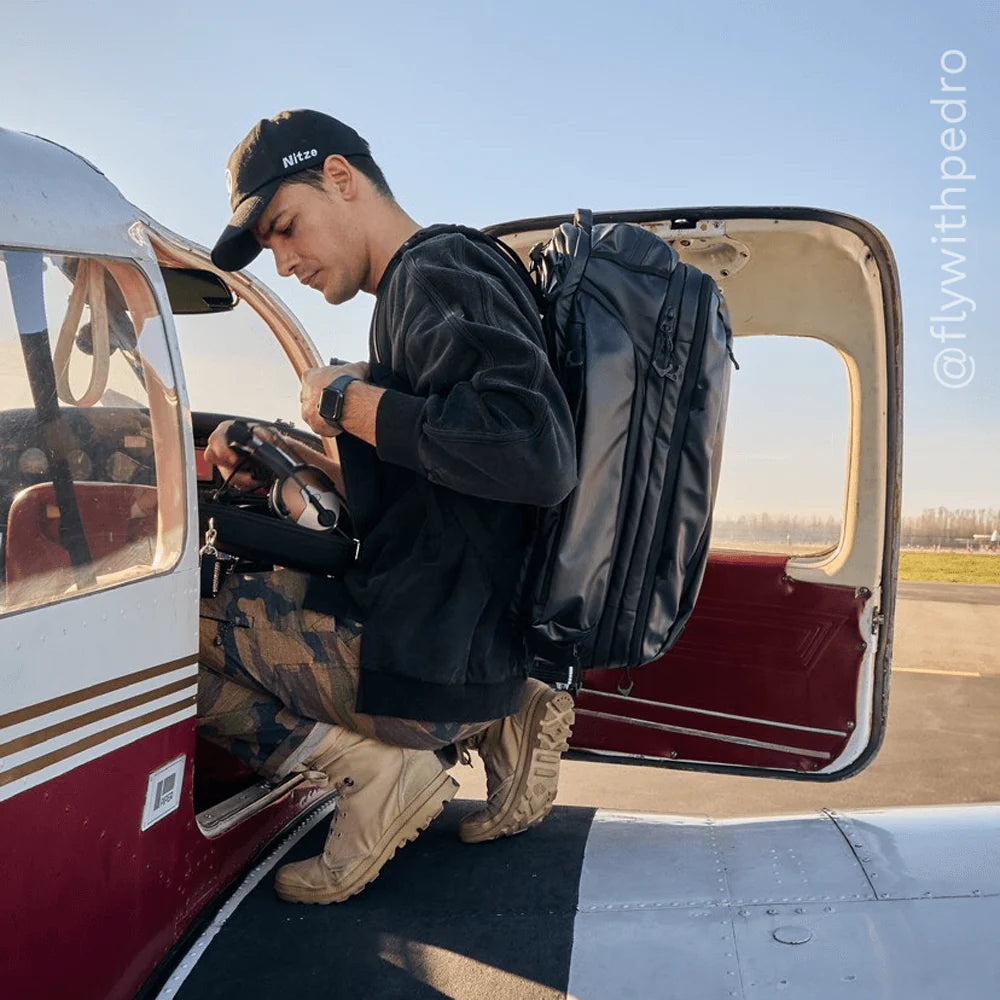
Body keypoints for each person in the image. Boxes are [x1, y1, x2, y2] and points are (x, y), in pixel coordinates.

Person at [199, 109, 578, 904]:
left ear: (341, 177)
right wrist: (284, 447)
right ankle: (505, 713)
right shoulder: (421, 291)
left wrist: (352, 403)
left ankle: (375, 772)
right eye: (269, 245)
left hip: (427, 664)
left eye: (287, 227)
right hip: (461, 645)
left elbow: (531, 452)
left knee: (173, 627)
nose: (284, 259)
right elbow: (431, 477)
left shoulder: (435, 270)